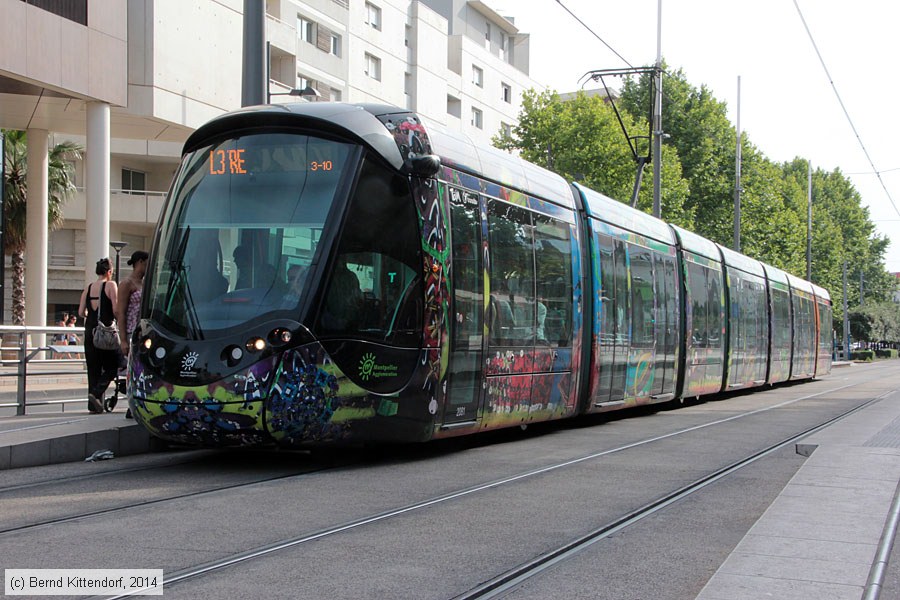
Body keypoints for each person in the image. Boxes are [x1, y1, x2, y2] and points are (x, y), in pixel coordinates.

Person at [78, 258, 123, 414]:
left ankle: (93, 406)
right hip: (106, 333)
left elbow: (80, 312)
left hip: (90, 332)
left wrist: (93, 315)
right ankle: (96, 393)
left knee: (93, 368)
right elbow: (116, 309)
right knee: (114, 365)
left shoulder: (89, 288)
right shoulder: (110, 285)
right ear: (109, 272)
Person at [116, 250, 148, 357]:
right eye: (147, 263)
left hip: (144, 331)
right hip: (132, 331)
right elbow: (120, 312)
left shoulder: (145, 283)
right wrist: (123, 340)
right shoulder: (126, 283)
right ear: (140, 262)